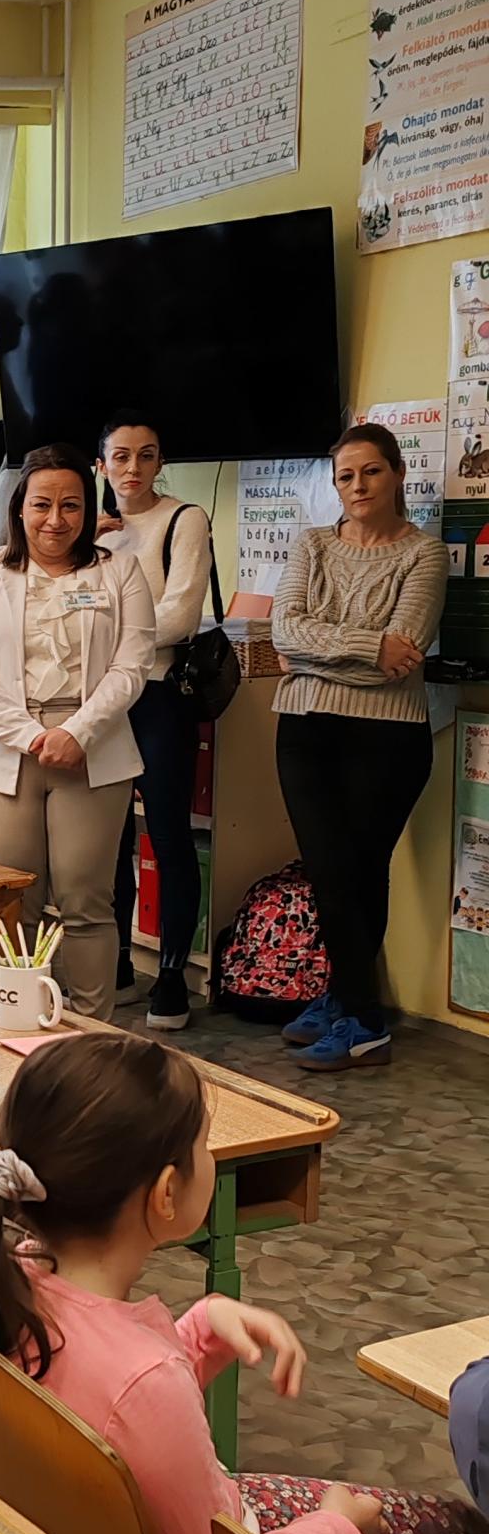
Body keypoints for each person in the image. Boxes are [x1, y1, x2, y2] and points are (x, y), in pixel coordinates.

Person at [0, 1029, 489, 1534]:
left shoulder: (17, 1278)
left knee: (460, 1527)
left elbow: (116, 1416)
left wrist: (199, 1330)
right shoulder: (146, 1379)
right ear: (166, 1193)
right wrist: (338, 1529)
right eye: (204, 1144)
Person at [0, 443, 154, 1021]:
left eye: (71, 505)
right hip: (1, 750)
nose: (55, 520)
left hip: (94, 750)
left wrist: (77, 731)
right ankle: (23, 1030)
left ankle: (92, 1037)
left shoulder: (119, 570)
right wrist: (34, 737)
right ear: (19, 508)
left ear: (89, 508)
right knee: (16, 903)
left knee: (87, 901)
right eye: (41, 505)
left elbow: (132, 664)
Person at [273, 421, 448, 1072]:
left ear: (397, 474)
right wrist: (368, 646)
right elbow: (284, 631)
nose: (358, 485)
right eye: (345, 475)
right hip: (304, 730)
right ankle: (346, 999)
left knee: (359, 870)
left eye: (371, 471)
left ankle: (363, 1020)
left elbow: (406, 655)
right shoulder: (312, 545)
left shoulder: (424, 555)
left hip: (387, 737)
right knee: (328, 869)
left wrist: (316, 656)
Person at [94, 421, 215, 1032]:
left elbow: (180, 614)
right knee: (108, 836)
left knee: (167, 835)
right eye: (120, 457)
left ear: (161, 461)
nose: (133, 468)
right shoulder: (91, 529)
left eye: (145, 456)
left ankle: (170, 977)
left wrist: (109, 640)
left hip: (160, 694)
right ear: (101, 465)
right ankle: (116, 962)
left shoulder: (183, 519)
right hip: (100, 701)